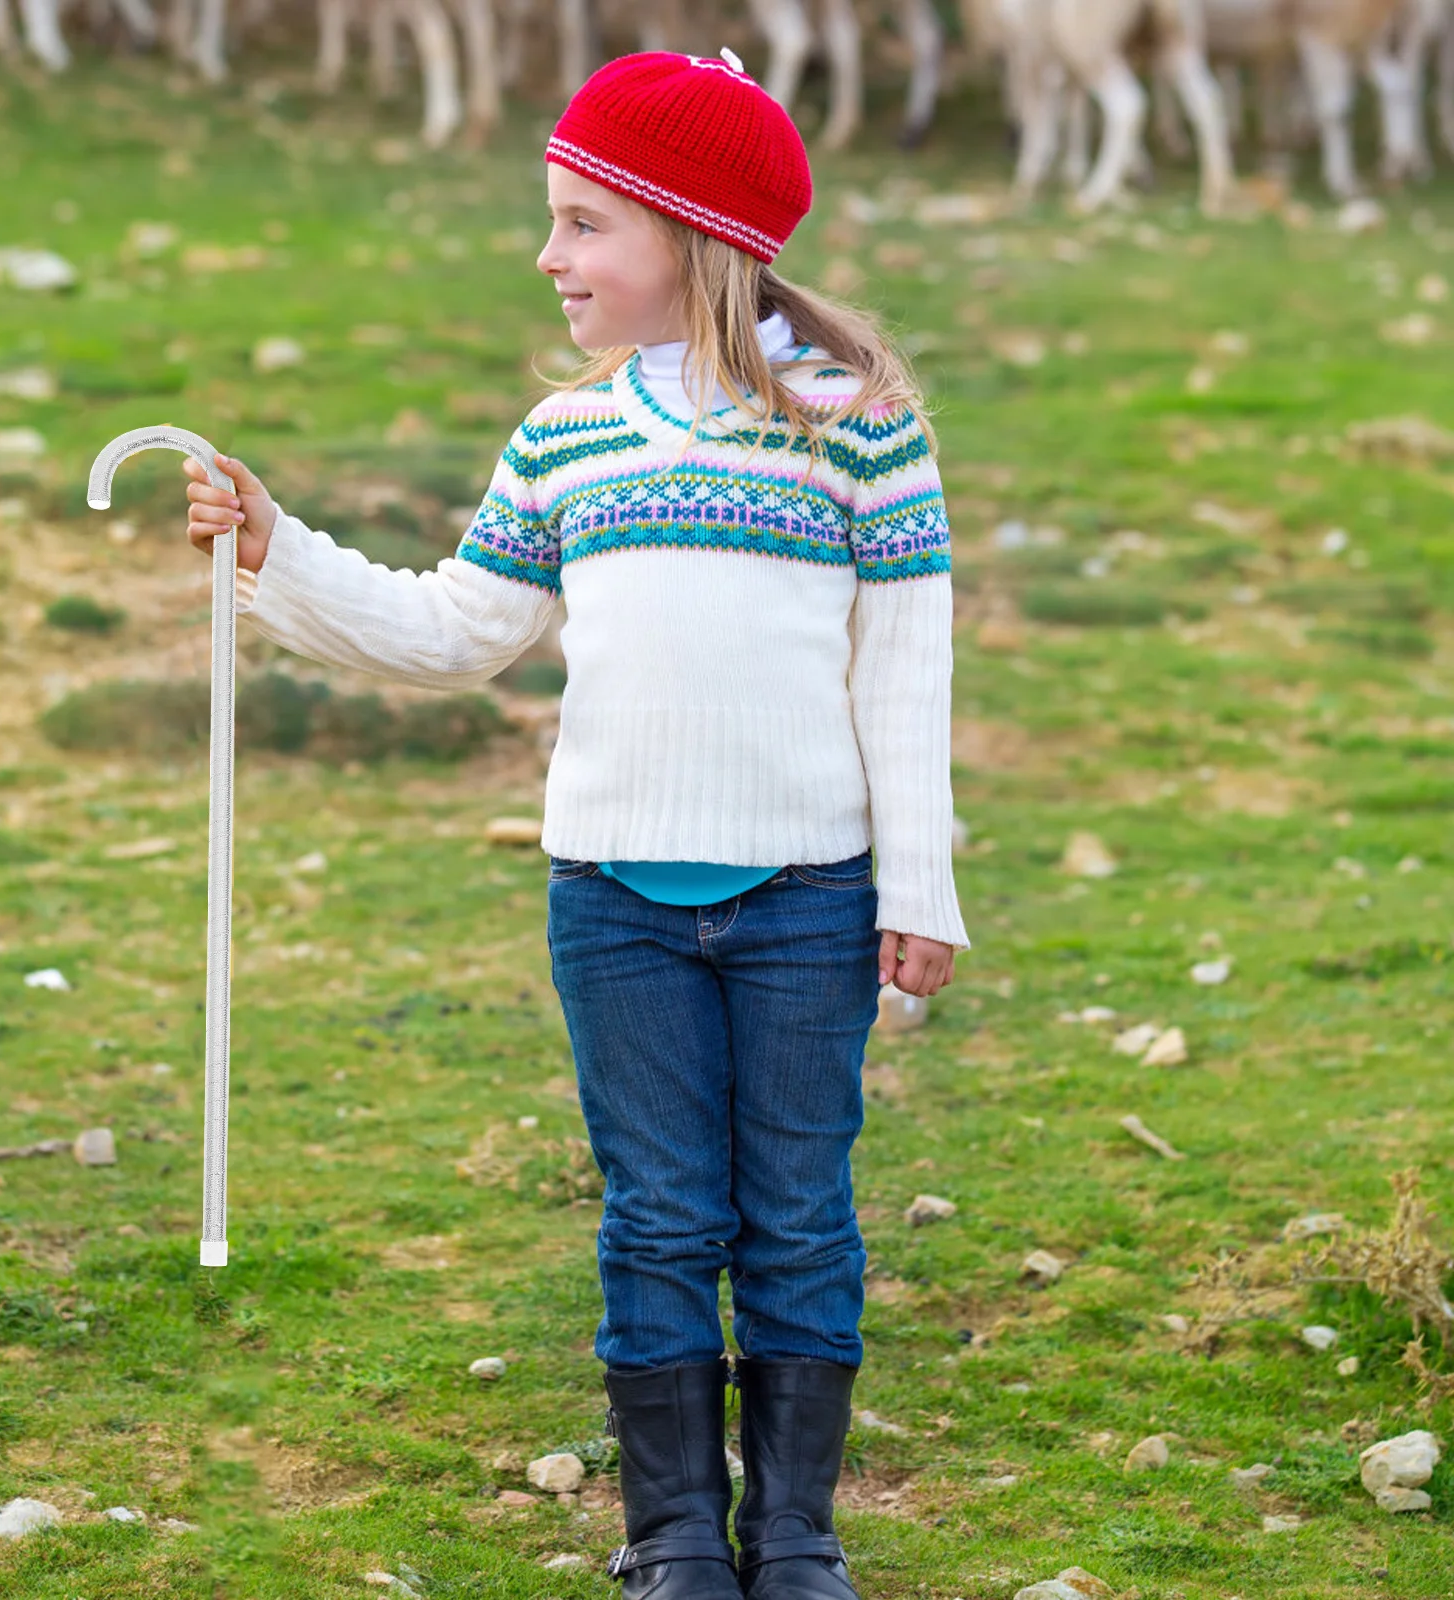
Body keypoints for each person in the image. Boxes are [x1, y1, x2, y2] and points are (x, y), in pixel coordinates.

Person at [183, 46, 969, 1600]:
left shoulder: (855, 425)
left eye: (583, 223)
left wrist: (919, 887)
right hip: (613, 902)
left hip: (811, 897)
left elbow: (905, 668)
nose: (550, 256)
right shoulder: (566, 438)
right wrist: (277, 551)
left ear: (693, 235)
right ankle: (674, 1538)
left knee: (797, 1216)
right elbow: (455, 628)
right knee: (661, 1215)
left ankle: (794, 1539)